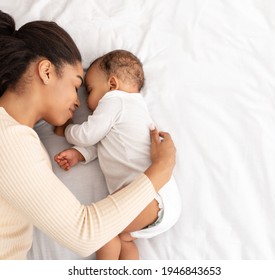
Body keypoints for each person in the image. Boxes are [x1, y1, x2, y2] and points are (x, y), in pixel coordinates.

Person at [0, 10, 175, 260]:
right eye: (76, 85)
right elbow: (84, 234)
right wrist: (161, 169)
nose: (78, 101)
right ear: (46, 71)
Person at [54, 50, 181, 260]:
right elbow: (105, 144)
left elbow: (88, 135)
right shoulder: (135, 110)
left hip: (151, 198)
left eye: (91, 90)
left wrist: (67, 129)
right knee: (123, 239)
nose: (87, 102)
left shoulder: (115, 101)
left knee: (104, 230)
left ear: (112, 84)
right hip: (164, 202)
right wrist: (79, 154)